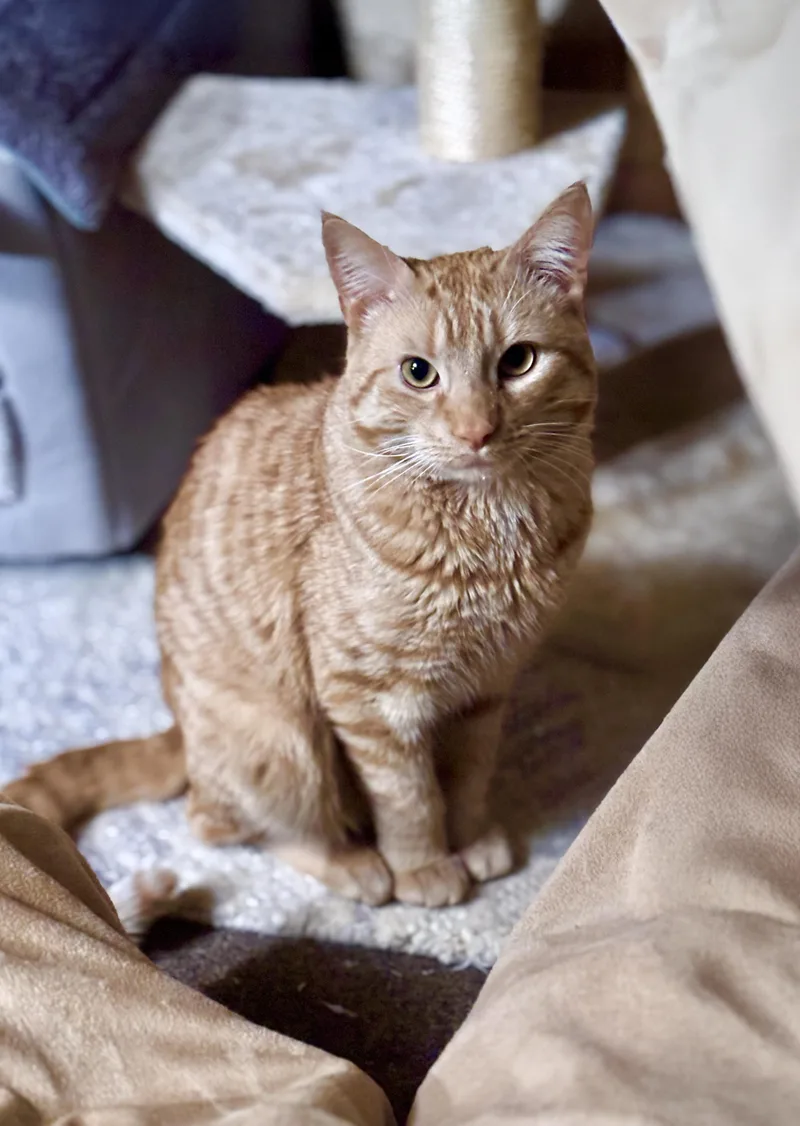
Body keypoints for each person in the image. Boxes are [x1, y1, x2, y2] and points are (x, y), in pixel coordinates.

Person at [6, 3, 800, 1122]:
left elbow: (471, 677)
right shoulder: (365, 490)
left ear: (566, 298)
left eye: (515, 362)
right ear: (360, 318)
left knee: (471, 677)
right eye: (420, 373)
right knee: (373, 715)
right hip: (263, 728)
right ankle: (298, 833)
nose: (472, 420)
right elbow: (363, 699)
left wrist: (468, 805)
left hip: (412, 666)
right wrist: (419, 845)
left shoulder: (540, 458)